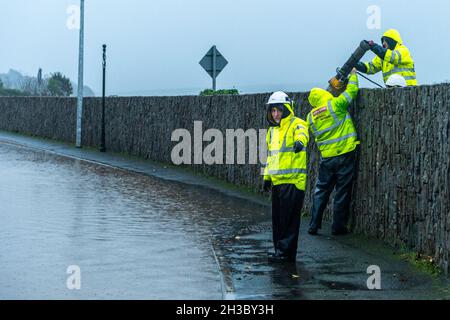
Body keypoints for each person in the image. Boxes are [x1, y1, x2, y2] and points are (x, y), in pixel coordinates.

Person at [306, 69, 360, 236]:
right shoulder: (335, 105)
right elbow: (352, 91)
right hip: (345, 153)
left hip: (327, 158)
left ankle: (314, 224)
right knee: (342, 191)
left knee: (321, 190)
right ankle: (338, 227)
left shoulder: (310, 117)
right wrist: (353, 75)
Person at [263, 91, 309, 263]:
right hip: (277, 182)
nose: (276, 114)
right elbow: (271, 157)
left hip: (293, 181)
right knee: (278, 220)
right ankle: (279, 251)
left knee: (289, 221)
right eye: (273, 111)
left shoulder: (297, 124)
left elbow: (303, 133)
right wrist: (267, 177)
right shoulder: (272, 131)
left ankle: (284, 254)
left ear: (287, 109)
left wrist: (300, 142)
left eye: (279, 110)